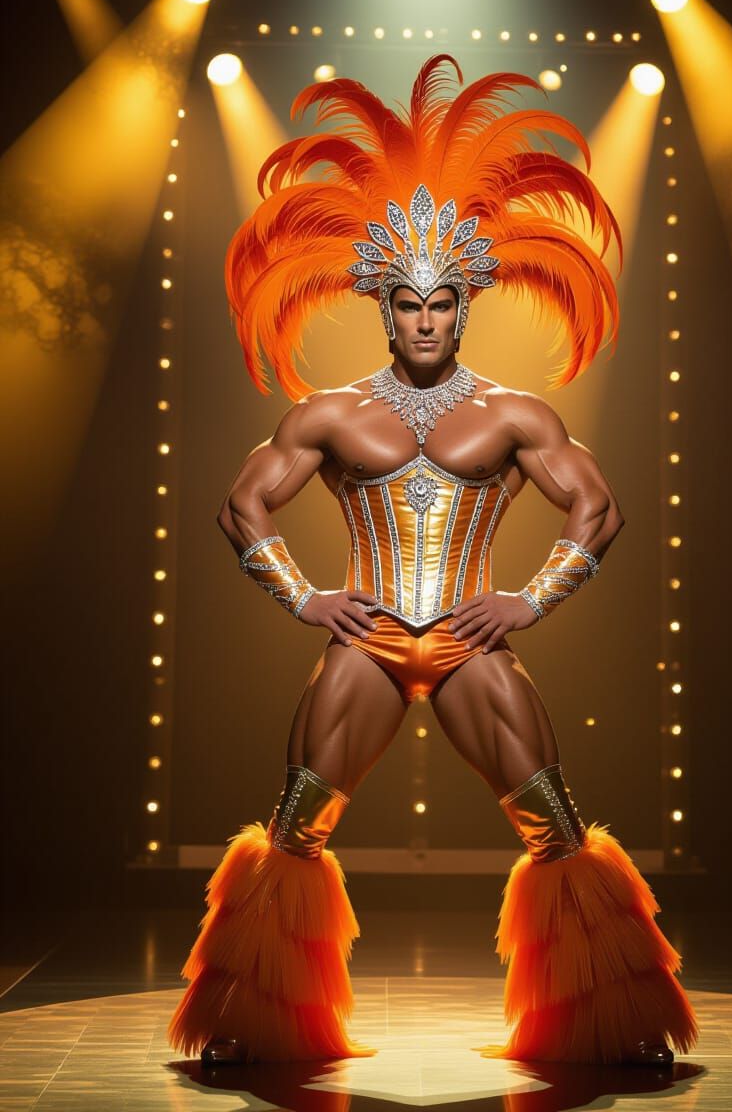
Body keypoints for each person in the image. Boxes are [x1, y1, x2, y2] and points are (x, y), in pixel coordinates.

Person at [168, 55, 698, 1068]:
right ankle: (247, 1022)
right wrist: (303, 596)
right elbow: (243, 506)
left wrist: (532, 601)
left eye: (440, 304)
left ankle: (618, 1029)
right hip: (365, 646)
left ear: (466, 304)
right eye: (406, 306)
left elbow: (597, 508)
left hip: (469, 641)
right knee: (293, 832)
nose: (423, 321)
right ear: (380, 305)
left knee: (554, 826)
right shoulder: (329, 413)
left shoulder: (513, 413)